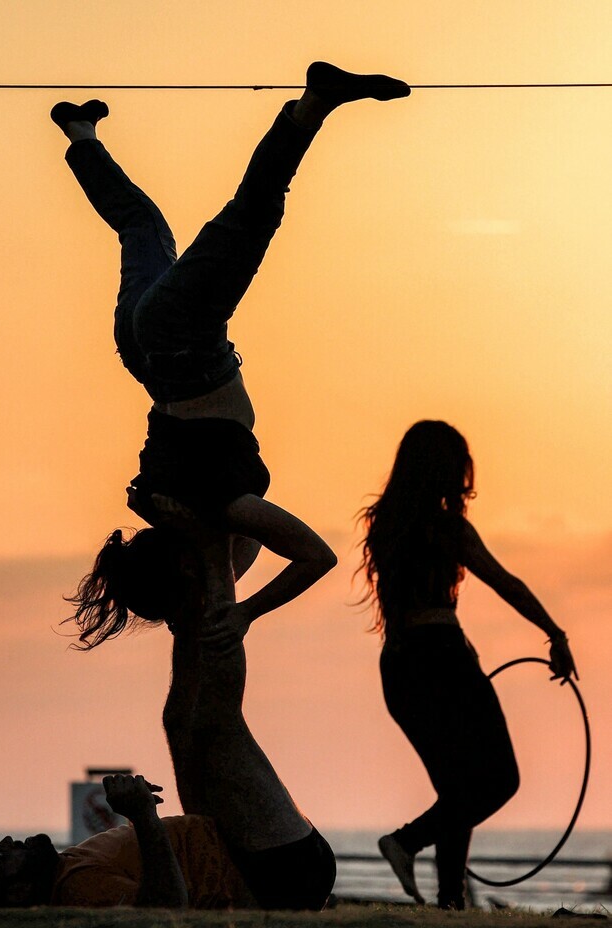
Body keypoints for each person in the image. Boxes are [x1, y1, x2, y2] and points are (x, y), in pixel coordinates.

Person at [49, 62, 410, 651]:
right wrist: (208, 607)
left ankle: (315, 102)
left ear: (183, 568)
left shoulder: (221, 507)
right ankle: (80, 132)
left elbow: (316, 556)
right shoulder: (168, 507)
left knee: (255, 211)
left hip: (182, 343)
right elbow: (204, 586)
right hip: (145, 352)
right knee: (142, 227)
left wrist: (248, 614)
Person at [0, 512, 336, 911]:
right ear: (17, 892)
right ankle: (212, 559)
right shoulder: (73, 886)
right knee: (215, 721)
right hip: (279, 871)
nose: (5, 842)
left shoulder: (68, 868)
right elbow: (167, 905)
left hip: (246, 855)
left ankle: (201, 588)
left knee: (179, 720)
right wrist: (141, 814)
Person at [358, 420, 578, 910]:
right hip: (443, 658)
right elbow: (507, 583)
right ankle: (407, 842)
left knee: (455, 789)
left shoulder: (386, 525)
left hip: (399, 668)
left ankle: (450, 903)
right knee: (500, 780)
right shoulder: (447, 530)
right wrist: (555, 633)